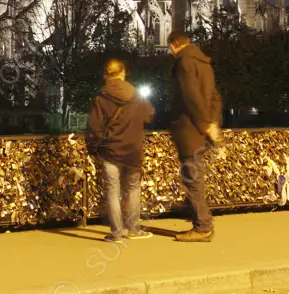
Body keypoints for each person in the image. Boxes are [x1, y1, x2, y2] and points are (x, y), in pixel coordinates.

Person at [86, 57, 155, 242]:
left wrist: (93, 148)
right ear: (123, 73)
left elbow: (94, 126)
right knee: (132, 189)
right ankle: (134, 230)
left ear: (105, 75)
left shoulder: (100, 97)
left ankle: (116, 234)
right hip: (133, 149)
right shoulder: (136, 95)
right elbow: (149, 116)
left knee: (112, 191)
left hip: (110, 151)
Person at [167, 30, 222, 242]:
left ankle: (203, 227)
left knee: (192, 178)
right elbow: (215, 97)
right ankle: (202, 222)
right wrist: (213, 122)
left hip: (189, 130)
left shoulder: (183, 63)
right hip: (201, 131)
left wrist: (205, 124)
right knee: (195, 177)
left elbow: (191, 97)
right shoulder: (204, 63)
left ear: (173, 45)